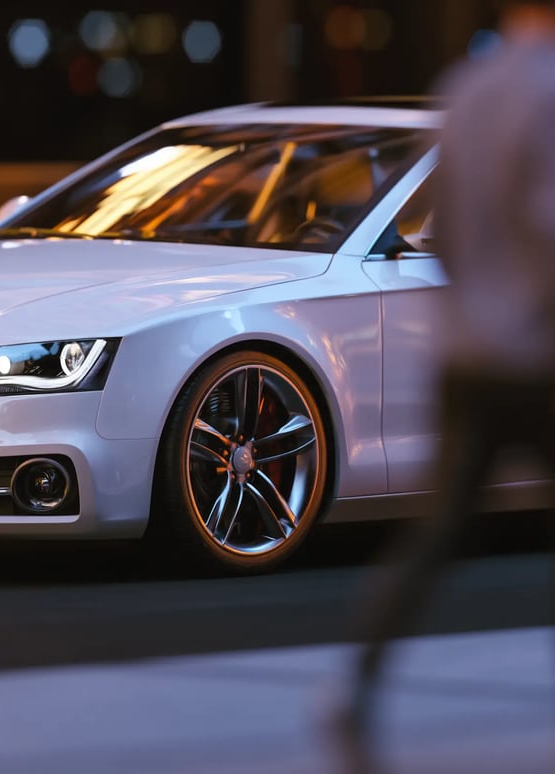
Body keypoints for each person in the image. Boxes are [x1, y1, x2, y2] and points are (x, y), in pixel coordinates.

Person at [335, 0, 555, 768]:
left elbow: (450, 231)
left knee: (431, 535)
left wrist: (476, 309)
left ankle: (355, 688)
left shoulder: (466, 86)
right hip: (536, 354)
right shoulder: (549, 90)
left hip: (468, 353)